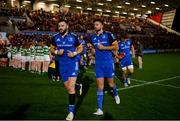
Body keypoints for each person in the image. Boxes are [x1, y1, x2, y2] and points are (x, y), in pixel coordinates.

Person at [50, 19, 83, 121]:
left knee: (70, 88)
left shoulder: (73, 37)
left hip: (73, 64)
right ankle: (78, 85)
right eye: (59, 26)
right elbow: (51, 48)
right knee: (68, 87)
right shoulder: (55, 37)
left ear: (67, 26)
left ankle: (71, 112)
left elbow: (80, 48)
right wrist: (56, 51)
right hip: (62, 65)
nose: (60, 27)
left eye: (62, 25)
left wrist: (74, 54)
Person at [91, 19, 120, 116]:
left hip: (108, 63)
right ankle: (100, 109)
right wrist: (92, 51)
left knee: (111, 85)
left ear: (102, 26)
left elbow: (116, 46)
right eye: (94, 24)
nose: (95, 26)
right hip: (98, 65)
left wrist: (104, 48)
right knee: (100, 87)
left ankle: (115, 94)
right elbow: (92, 48)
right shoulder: (93, 37)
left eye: (97, 24)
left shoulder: (108, 35)